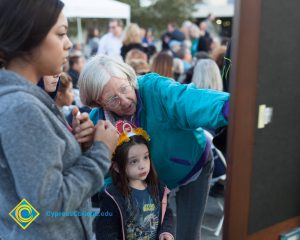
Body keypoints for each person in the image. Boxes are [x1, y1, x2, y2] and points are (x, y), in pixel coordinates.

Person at [0, 1, 118, 239]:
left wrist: (74, 146)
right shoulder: (22, 108)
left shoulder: (20, 101)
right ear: (28, 37)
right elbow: (49, 203)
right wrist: (101, 151)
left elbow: (23, 195)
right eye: (61, 33)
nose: (69, 43)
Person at [79, 54, 230, 239]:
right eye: (113, 99)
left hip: (190, 165)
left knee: (187, 235)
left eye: (125, 88)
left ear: (129, 78)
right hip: (149, 182)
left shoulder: (154, 88)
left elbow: (186, 100)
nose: (125, 101)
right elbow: (107, 175)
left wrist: (229, 107)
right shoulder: (99, 125)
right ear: (97, 102)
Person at [94, 121, 174, 240]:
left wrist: (166, 232)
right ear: (116, 167)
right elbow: (105, 231)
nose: (142, 165)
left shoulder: (158, 188)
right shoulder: (112, 197)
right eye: (134, 161)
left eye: (145, 157)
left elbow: (166, 214)